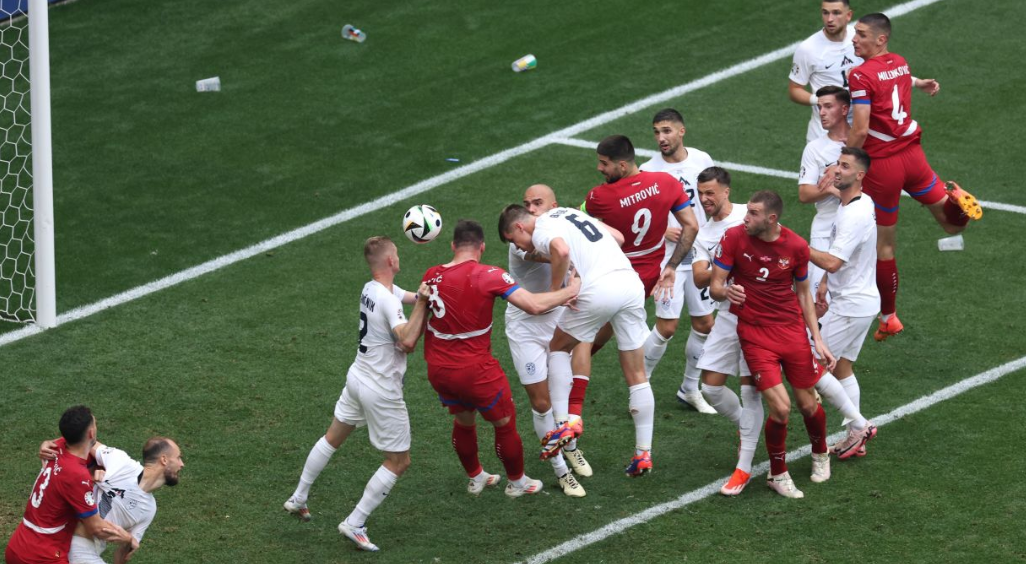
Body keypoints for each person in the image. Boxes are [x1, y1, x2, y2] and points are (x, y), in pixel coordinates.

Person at [283, 236, 429, 552]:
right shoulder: (388, 301)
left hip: (357, 378)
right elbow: (407, 341)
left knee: (332, 437)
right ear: (391, 261)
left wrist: (420, 294)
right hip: (381, 390)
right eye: (397, 254)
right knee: (399, 460)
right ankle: (355, 521)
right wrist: (423, 304)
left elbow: (399, 294)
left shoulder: (370, 288)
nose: (399, 257)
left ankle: (299, 496)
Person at [848, 12, 982, 340]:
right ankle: (960, 203)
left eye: (862, 34)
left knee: (885, 247)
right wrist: (920, 83)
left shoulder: (859, 75)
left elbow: (862, 128)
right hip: (914, 157)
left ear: (881, 39)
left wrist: (844, 161)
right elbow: (900, 78)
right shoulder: (900, 62)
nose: (855, 39)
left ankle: (889, 317)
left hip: (884, 168)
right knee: (951, 224)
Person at [422, 220, 580, 499]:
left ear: (452, 246)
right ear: (482, 247)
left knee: (463, 420)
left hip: (439, 369)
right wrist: (570, 289)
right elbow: (533, 305)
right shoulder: (490, 274)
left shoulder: (431, 274)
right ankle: (517, 482)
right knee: (505, 423)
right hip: (475, 370)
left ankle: (475, 477)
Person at [500, 204, 656, 477]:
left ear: (519, 227)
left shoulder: (541, 229)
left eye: (515, 240)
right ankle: (644, 453)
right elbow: (618, 238)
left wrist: (555, 291)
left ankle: (564, 422)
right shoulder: (571, 214)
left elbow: (560, 250)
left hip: (600, 288)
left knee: (558, 346)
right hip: (631, 283)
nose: (519, 247)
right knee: (637, 373)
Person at [709, 191, 836, 499]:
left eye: (753, 213)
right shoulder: (734, 237)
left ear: (771, 218)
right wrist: (726, 293)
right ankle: (778, 473)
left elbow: (803, 294)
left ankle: (821, 451)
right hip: (754, 334)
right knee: (780, 408)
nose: (746, 218)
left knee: (808, 405)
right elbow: (714, 285)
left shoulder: (795, 246)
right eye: (747, 211)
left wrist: (816, 338)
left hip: (791, 331)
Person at [504, 184, 588, 496]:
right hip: (525, 328)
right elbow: (555, 254)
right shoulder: (520, 242)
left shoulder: (556, 229)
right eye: (527, 204)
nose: (532, 209)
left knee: (562, 394)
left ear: (554, 205)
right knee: (541, 404)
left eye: (537, 203)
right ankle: (561, 471)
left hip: (555, 320)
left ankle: (571, 446)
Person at [686, 167, 764, 496]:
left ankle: (744, 465)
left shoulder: (750, 214)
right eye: (701, 194)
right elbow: (700, 277)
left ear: (726, 192)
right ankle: (747, 426)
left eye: (710, 194)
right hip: (727, 313)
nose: (704, 200)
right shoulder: (704, 234)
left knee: (753, 388)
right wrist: (725, 259)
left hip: (762, 312)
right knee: (712, 387)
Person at [638, 109, 717, 414]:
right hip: (668, 258)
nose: (661, 138)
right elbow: (639, 214)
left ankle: (689, 389)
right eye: (657, 132)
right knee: (667, 326)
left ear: (681, 131)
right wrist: (661, 228)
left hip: (699, 253)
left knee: (705, 323)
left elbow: (712, 198)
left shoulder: (701, 159)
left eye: (667, 131)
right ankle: (640, 382)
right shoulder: (647, 170)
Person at [808, 147, 880, 461]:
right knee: (844, 368)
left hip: (851, 306)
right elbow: (846, 260)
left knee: (810, 364)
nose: (837, 170)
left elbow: (835, 261)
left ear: (860, 175)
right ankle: (856, 434)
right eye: (838, 164)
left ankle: (859, 425)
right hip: (860, 301)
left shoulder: (854, 213)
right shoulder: (857, 202)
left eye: (845, 166)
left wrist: (797, 247)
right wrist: (824, 283)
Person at [6, 406, 137, 564]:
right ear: (91, 433)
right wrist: (128, 538)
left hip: (17, 545)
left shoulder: (57, 447)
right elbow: (96, 528)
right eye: (95, 424)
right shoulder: (76, 476)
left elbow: (85, 457)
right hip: (43, 556)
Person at [54, 438, 183, 564]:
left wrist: (128, 542)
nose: (182, 464)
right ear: (164, 459)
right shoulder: (122, 462)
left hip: (89, 552)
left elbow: (120, 557)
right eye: (178, 458)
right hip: (72, 538)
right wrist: (50, 444)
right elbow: (81, 438)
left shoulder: (149, 509)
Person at [798, 85, 851, 308]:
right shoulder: (814, 148)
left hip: (856, 228)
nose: (821, 112)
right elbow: (804, 193)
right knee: (819, 301)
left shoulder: (864, 140)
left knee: (851, 297)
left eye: (828, 106)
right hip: (824, 231)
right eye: (820, 107)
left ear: (845, 109)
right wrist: (829, 189)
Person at [788, 0, 862, 142]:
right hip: (824, 135)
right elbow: (794, 90)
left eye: (836, 13)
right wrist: (821, 101)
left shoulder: (859, 37)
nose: (829, 19)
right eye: (825, 13)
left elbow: (879, 70)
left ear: (848, 15)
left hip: (861, 127)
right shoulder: (808, 49)